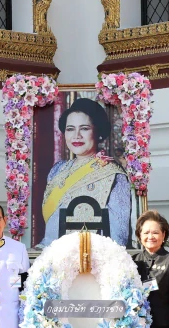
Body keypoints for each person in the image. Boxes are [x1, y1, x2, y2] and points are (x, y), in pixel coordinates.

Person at [39, 98, 131, 248]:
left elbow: (117, 236)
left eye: (84, 128)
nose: (76, 136)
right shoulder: (57, 170)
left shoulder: (113, 174)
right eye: (70, 129)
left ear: (98, 132)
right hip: (53, 255)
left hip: (93, 259)